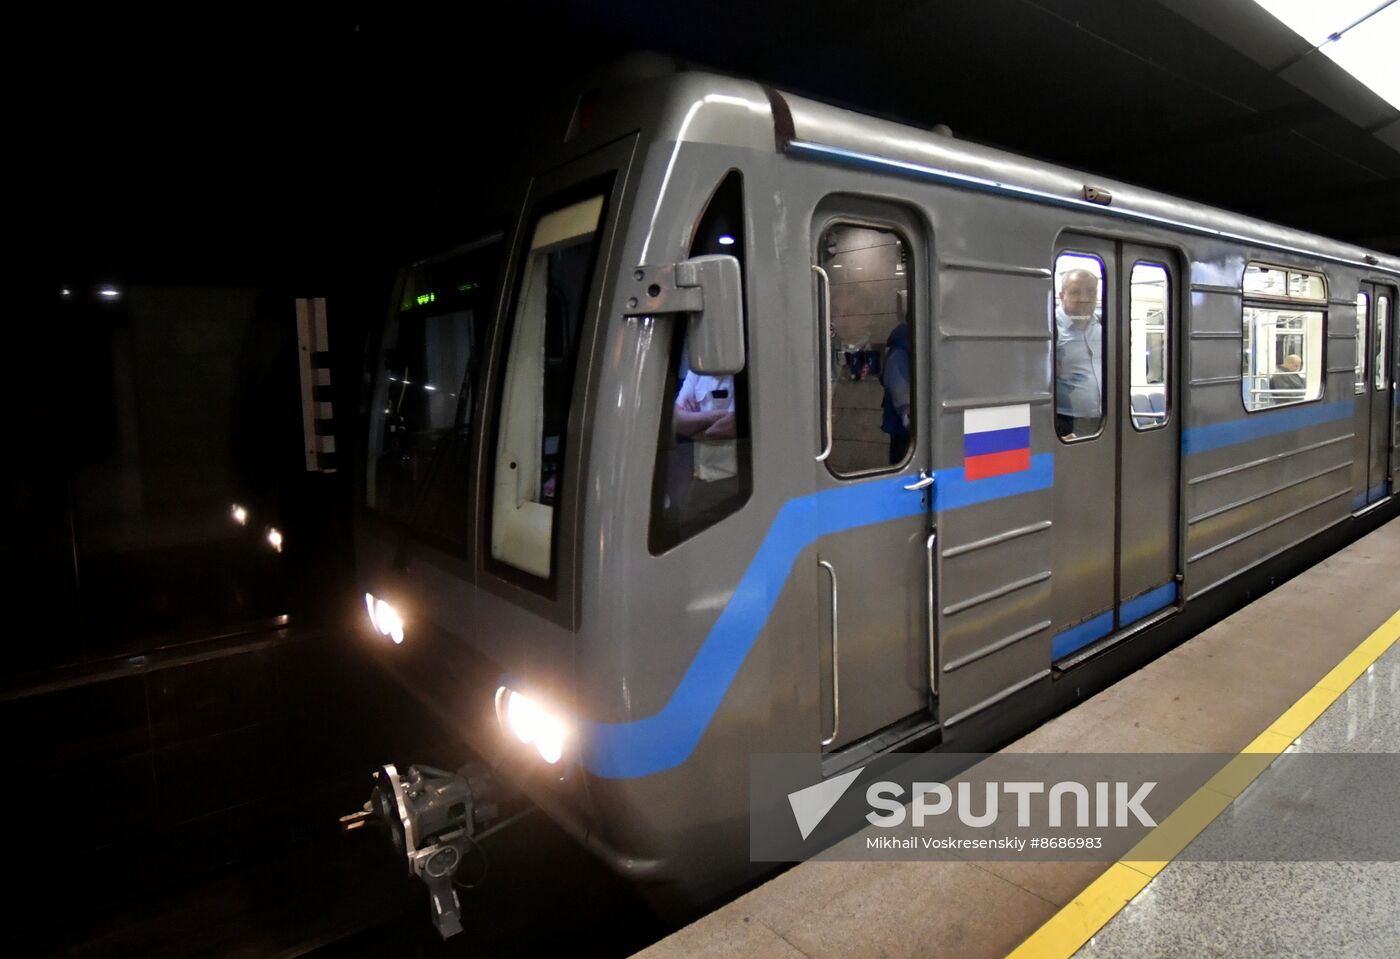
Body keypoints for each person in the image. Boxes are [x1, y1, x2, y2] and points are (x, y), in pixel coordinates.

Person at [1054, 269, 1105, 439]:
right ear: (1062, 295)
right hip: (1064, 421)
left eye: (1091, 292)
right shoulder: (1049, 326)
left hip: (1104, 419)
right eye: (1076, 292)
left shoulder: (1104, 325)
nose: (1085, 298)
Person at [674, 370, 737, 481]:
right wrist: (716, 418)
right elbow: (677, 421)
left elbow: (733, 425)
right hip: (699, 475)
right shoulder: (696, 371)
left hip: (732, 477)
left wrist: (692, 424)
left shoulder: (746, 373)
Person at [881, 322, 911, 464]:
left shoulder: (901, 346)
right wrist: (908, 417)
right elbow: (899, 388)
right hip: (903, 429)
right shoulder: (901, 348)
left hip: (902, 427)